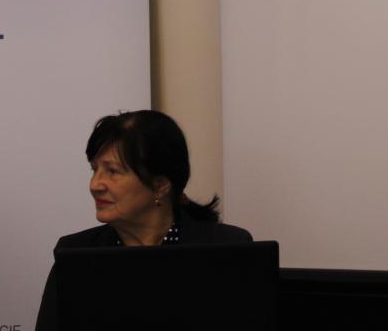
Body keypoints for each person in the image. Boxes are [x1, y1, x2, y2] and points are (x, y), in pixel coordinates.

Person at [35, 109, 252, 330]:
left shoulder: (228, 248)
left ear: (160, 185)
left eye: (112, 171)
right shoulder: (74, 254)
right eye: (94, 170)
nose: (95, 185)